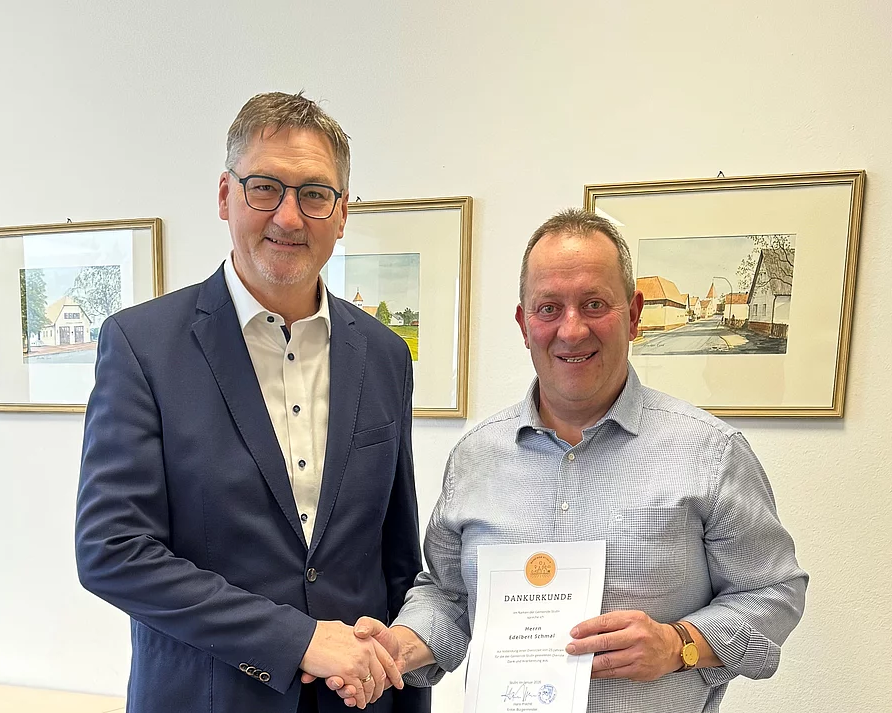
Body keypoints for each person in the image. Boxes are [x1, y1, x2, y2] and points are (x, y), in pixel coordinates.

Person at [329, 209, 808, 712]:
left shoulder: (711, 453)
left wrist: (679, 644)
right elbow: (451, 596)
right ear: (524, 324)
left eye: (594, 304)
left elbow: (773, 592)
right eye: (549, 308)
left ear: (634, 315)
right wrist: (399, 646)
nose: (572, 329)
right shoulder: (476, 457)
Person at [75, 91, 429, 713]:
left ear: (342, 213)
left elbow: (395, 559)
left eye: (314, 194)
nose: (289, 218)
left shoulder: (385, 354)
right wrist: (298, 641)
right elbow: (114, 551)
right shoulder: (142, 346)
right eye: (264, 188)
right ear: (225, 196)